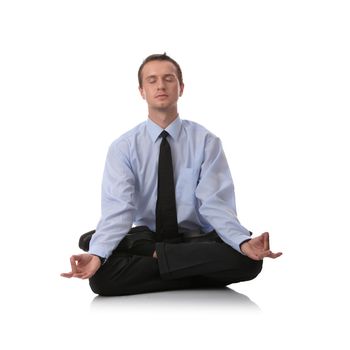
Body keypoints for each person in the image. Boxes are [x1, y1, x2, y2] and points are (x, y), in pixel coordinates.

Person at [61, 53, 282, 296]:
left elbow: (216, 205)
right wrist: (98, 254)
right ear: (142, 90)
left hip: (196, 239)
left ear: (181, 87)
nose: (161, 85)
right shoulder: (123, 147)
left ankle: (154, 256)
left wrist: (241, 242)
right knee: (101, 275)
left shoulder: (206, 142)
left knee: (249, 261)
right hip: (152, 237)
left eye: (169, 79)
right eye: (152, 80)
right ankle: (193, 273)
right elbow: (118, 209)